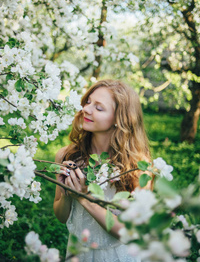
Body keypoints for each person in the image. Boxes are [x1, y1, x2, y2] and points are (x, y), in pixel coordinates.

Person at [53, 79, 152, 262]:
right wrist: (67, 193)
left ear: (119, 119)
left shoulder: (137, 168)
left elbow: (129, 232)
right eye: (88, 102)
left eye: (99, 108)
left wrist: (84, 197)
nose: (86, 109)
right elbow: (61, 216)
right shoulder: (67, 156)